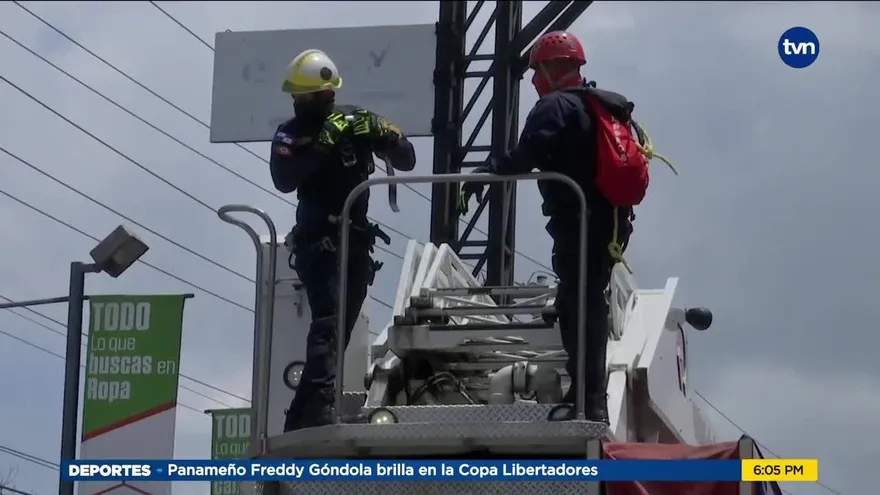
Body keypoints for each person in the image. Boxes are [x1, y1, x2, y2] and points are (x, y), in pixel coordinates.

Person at [458, 31, 641, 424]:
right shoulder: (600, 106)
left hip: (577, 223)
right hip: (611, 224)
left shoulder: (555, 106)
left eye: (535, 72)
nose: (533, 81)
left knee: (579, 309)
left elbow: (528, 154)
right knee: (585, 303)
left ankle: (588, 400)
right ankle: (587, 395)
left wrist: (482, 176)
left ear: (548, 68)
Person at [269, 48, 416, 431]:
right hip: (319, 241)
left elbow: (407, 159)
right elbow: (285, 179)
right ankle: (316, 410)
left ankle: (301, 415)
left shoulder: (355, 121)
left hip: (356, 241)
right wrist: (324, 145)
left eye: (302, 95)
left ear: (324, 93)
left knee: (340, 330)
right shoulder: (291, 132)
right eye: (294, 96)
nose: (296, 101)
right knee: (328, 324)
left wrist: (384, 133)